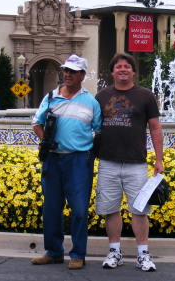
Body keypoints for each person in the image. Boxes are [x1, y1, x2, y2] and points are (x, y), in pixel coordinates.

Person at [31, 54, 101, 270]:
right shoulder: (51, 97)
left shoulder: (91, 102)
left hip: (79, 161)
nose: (68, 74)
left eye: (73, 71)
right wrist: (47, 142)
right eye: (66, 71)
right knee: (51, 208)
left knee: (79, 209)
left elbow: (98, 130)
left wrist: (90, 154)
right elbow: (36, 123)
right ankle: (53, 252)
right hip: (53, 159)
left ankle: (78, 254)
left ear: (82, 75)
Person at [95, 53, 164, 272]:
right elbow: (92, 128)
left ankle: (143, 254)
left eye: (127, 67)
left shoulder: (145, 96)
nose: (123, 70)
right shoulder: (101, 97)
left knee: (140, 210)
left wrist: (159, 160)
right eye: (118, 67)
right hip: (108, 161)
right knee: (110, 209)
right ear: (112, 71)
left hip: (136, 163)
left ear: (133, 71)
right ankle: (115, 251)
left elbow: (155, 128)